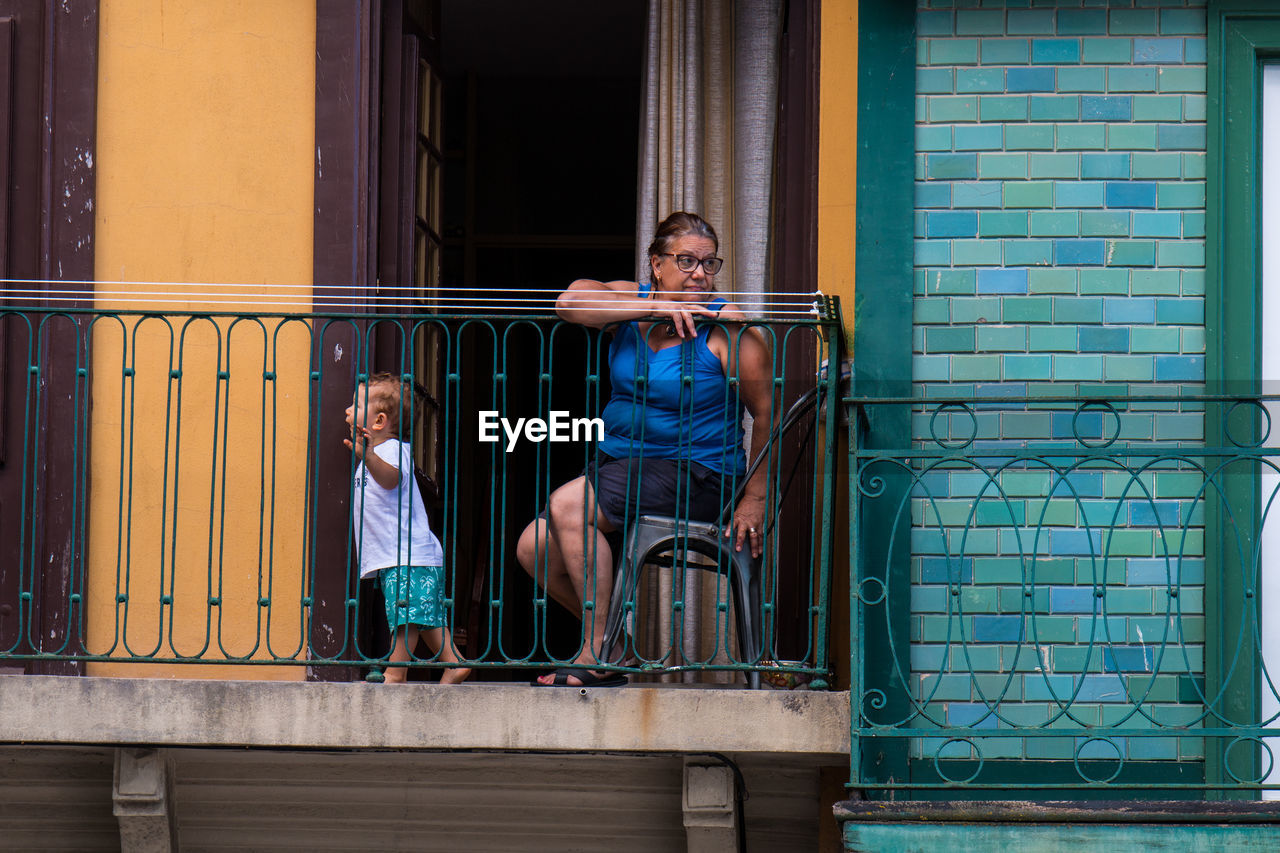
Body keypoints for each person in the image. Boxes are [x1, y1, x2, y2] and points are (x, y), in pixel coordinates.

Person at [517, 211, 773, 687]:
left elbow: (767, 411)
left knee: (569, 505)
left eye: (709, 264)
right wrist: (650, 310)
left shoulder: (724, 332)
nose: (700, 273)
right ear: (656, 265)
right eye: (686, 261)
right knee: (533, 548)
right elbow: (569, 301)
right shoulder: (633, 306)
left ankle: (596, 654)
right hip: (626, 467)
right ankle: (618, 645)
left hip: (699, 475)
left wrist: (754, 498)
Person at [346, 373, 470, 684]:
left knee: (405, 616)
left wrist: (369, 455)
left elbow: (391, 480)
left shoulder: (392, 450)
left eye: (355, 405)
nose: (348, 410)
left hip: (408, 553)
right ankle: (453, 662)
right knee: (423, 616)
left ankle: (396, 671)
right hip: (401, 555)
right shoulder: (375, 455)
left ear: (379, 421)